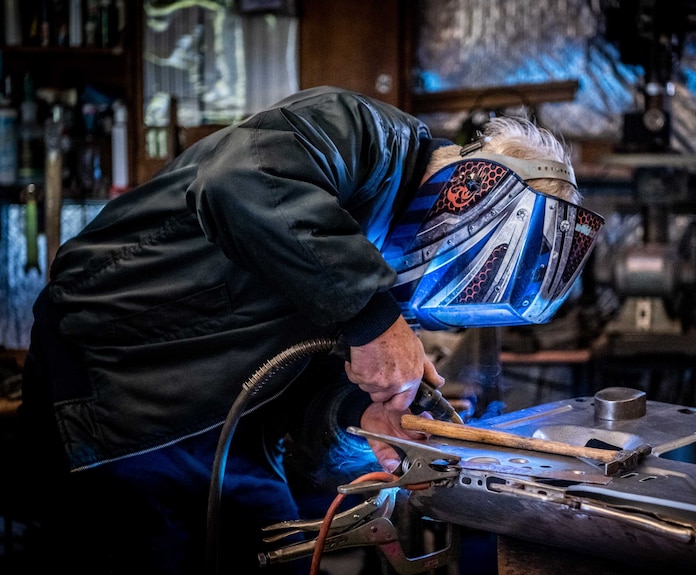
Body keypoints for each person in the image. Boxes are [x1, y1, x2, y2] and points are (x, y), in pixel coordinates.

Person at [16, 85, 587, 574]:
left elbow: (293, 372)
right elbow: (240, 181)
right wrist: (372, 320)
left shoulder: (381, 270)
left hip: (231, 433)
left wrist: (355, 415)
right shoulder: (360, 134)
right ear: (467, 201)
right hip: (114, 392)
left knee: (279, 549)